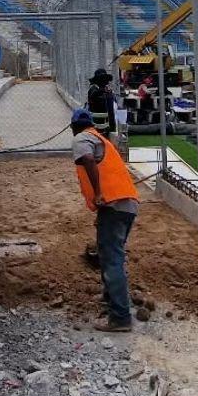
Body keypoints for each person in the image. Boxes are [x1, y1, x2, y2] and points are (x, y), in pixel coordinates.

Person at [70, 107, 139, 332]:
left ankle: (120, 318)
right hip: (126, 205)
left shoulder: (81, 138)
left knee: (111, 259)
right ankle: (111, 299)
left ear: (73, 127)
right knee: (109, 252)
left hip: (113, 204)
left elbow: (88, 159)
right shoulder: (100, 139)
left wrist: (98, 193)